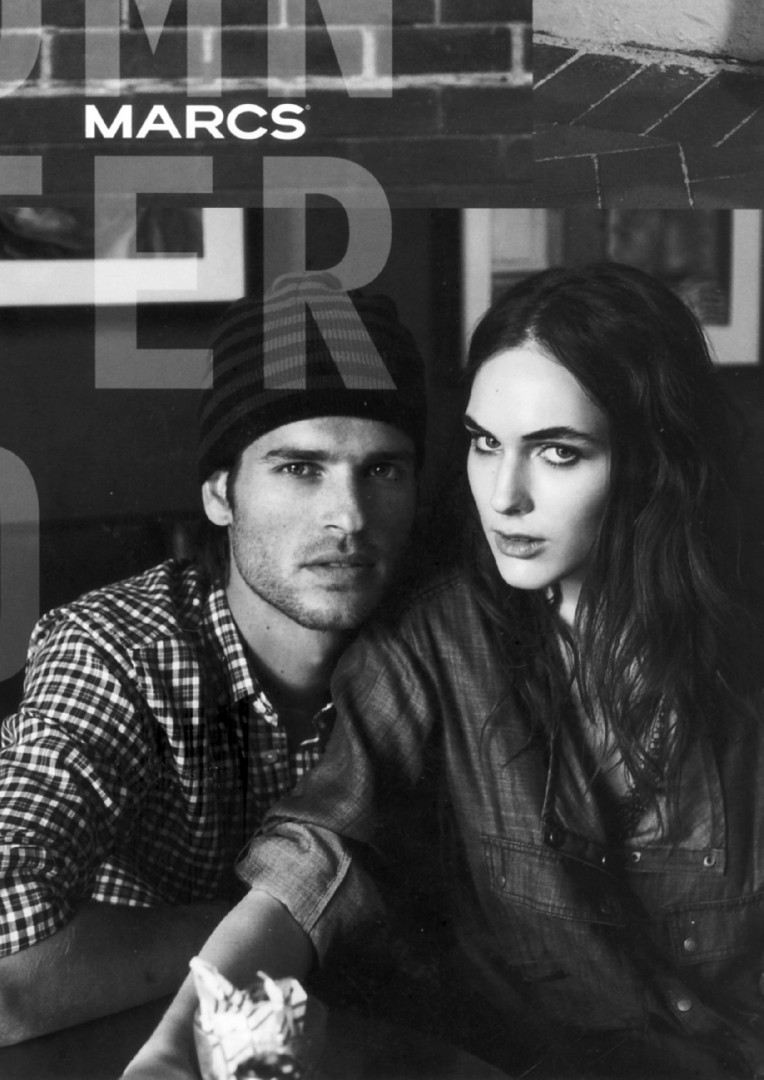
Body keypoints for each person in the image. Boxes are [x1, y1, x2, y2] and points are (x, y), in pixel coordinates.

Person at [124, 263, 764, 1080]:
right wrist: (172, 1050)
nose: (505, 496)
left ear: (649, 462)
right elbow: (318, 849)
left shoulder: (743, 644)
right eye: (485, 443)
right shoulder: (437, 637)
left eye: (558, 452)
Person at [0, 271, 425, 1045]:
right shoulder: (121, 652)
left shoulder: (438, 647)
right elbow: (9, 976)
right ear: (221, 494)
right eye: (299, 468)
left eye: (382, 470)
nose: (349, 517)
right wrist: (284, 931)